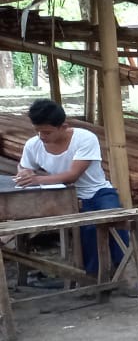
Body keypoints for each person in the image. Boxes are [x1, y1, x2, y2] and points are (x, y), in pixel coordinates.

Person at [16, 98, 127, 276]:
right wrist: (24, 173)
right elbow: (23, 166)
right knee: (89, 228)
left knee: (114, 218)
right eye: (37, 131)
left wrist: (36, 179)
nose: (42, 136)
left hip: (98, 192)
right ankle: (94, 275)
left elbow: (72, 175)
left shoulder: (85, 139)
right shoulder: (33, 145)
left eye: (47, 132)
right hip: (64, 197)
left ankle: (122, 268)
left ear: (63, 126)